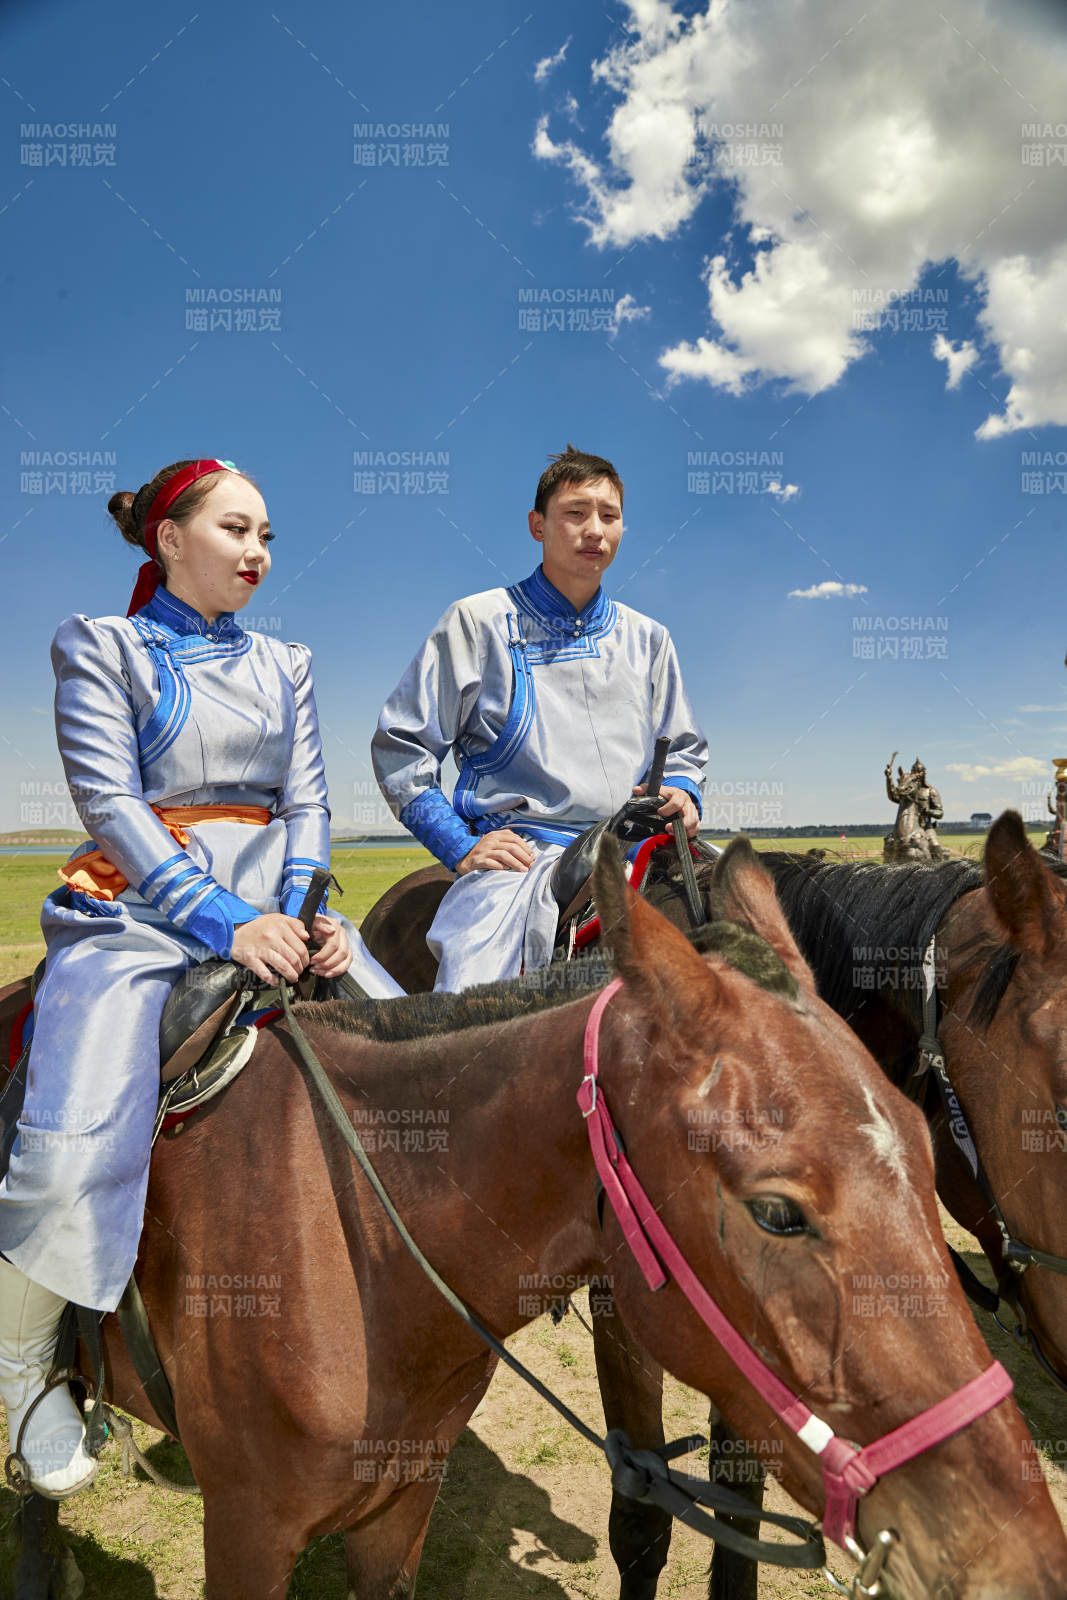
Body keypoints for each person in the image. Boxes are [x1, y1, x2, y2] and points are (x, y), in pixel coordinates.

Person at [0, 457, 404, 1498]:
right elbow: (114, 807)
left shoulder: (288, 661)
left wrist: (304, 914)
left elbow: (308, 802)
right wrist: (226, 922)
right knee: (64, 1144)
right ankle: (25, 1373)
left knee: (421, 1054)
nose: (258, 552)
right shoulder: (102, 648)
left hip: (281, 901)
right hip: (137, 914)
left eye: (267, 533)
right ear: (168, 540)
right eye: (236, 530)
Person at [372, 444, 707, 991]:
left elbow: (684, 747)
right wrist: (460, 846)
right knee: (475, 1011)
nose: (594, 530)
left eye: (609, 515)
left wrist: (682, 792)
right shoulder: (475, 621)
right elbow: (401, 745)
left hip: (636, 844)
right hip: (523, 857)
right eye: (575, 513)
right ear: (538, 525)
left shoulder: (650, 638)